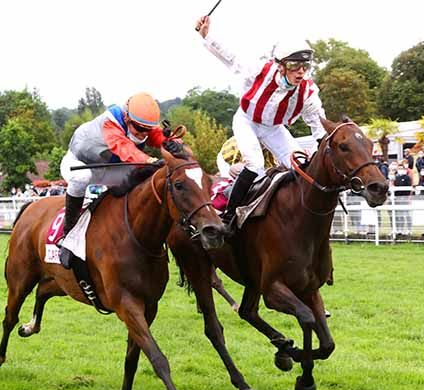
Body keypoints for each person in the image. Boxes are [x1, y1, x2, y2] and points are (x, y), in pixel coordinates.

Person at [197, 15, 326, 226]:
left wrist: (325, 149)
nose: (300, 71)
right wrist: (207, 36)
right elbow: (231, 58)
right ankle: (229, 216)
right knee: (255, 164)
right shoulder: (261, 70)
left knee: (300, 164)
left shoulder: (308, 92)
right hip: (246, 120)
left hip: (274, 128)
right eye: (294, 65)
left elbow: (319, 127)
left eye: (305, 65)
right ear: (281, 66)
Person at [59, 92, 172, 266]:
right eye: (140, 129)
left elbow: (156, 136)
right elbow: (123, 147)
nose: (143, 134)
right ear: (126, 117)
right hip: (80, 164)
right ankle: (69, 234)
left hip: (110, 168)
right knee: (82, 178)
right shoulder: (110, 123)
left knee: (145, 175)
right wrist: (149, 160)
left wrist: (172, 142)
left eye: (147, 129)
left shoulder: (140, 124)